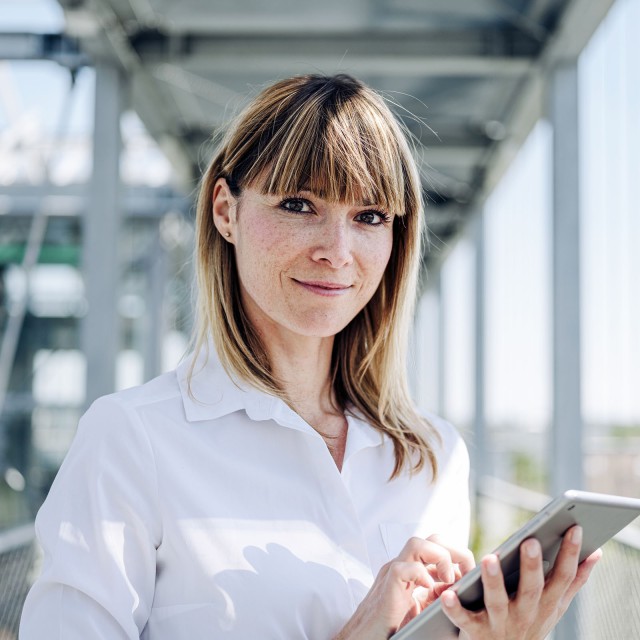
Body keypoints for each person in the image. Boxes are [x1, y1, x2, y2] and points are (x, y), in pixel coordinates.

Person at [20, 73, 600, 639]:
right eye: (300, 204)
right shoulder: (132, 439)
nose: (337, 252)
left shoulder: (433, 458)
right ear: (226, 211)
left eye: (369, 216)